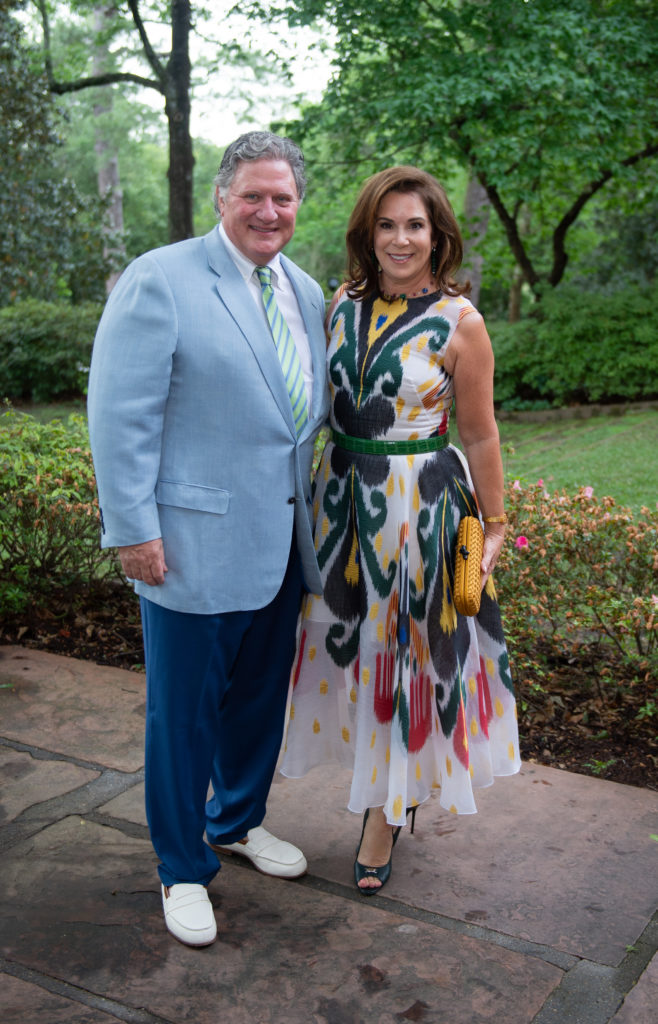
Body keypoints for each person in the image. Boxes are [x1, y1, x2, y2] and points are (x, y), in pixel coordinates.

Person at [87, 131, 329, 945]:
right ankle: (180, 866)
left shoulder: (306, 290)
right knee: (183, 717)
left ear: (299, 205)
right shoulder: (162, 279)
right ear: (223, 196)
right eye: (254, 195)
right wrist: (132, 530)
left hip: (284, 546)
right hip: (187, 544)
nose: (269, 211)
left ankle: (237, 819)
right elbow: (120, 414)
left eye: (284, 197)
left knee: (260, 701)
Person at [280, 166, 521, 894]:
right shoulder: (339, 304)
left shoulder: (460, 321)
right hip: (340, 504)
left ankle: (386, 811)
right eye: (386, 225)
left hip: (423, 510)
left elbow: (479, 435)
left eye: (414, 224)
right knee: (351, 649)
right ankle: (389, 783)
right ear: (368, 233)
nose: (400, 238)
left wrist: (497, 523)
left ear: (437, 232)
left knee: (408, 655)